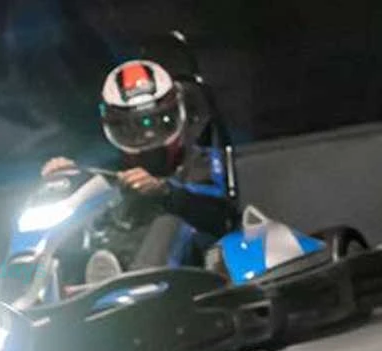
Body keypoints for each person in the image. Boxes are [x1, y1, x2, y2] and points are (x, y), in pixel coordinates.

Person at [41, 59, 237, 274]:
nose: (148, 137)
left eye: (158, 122)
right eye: (132, 128)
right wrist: (67, 179)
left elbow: (222, 218)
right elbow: (82, 201)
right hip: (116, 261)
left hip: (192, 267)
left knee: (168, 222)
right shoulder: (110, 170)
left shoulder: (202, 161)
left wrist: (165, 191)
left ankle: (138, 278)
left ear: (177, 114)